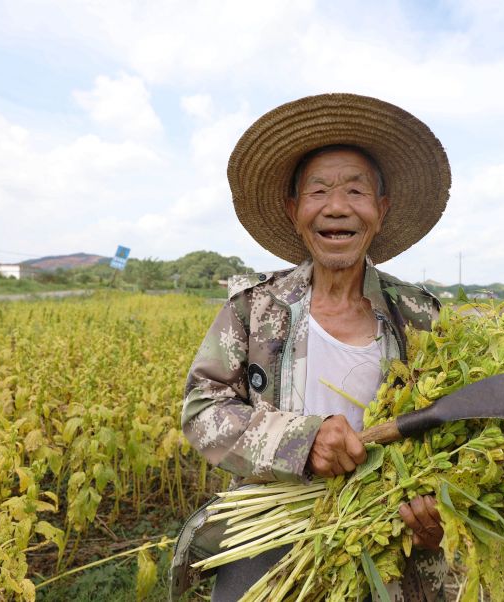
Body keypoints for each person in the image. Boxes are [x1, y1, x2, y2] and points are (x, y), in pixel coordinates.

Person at [177, 93, 451, 601]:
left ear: (381, 210)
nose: (337, 207)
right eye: (318, 191)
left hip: (386, 543)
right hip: (269, 535)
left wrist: (441, 513)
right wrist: (302, 442)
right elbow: (202, 410)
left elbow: (457, 432)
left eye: (356, 191)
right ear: (294, 210)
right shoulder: (254, 309)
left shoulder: (422, 321)